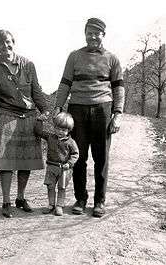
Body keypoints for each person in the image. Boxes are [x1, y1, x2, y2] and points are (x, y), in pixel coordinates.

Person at [54, 18, 125, 218]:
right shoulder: (74, 56)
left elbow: (119, 89)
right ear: (85, 34)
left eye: (97, 33)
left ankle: (99, 202)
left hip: (102, 109)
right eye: (89, 33)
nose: (93, 36)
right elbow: (65, 84)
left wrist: (117, 114)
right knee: (79, 156)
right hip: (77, 109)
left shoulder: (112, 59)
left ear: (103, 35)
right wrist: (58, 108)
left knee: (101, 158)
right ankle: (80, 199)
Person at [0, 30, 49, 218]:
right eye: (0, 44)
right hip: (6, 116)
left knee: (26, 160)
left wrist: (44, 109)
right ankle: (6, 201)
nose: (5, 46)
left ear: (13, 41)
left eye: (7, 42)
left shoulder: (28, 64)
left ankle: (20, 198)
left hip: (29, 117)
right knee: (6, 162)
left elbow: (36, 90)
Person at [34, 112, 79, 216]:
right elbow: (38, 132)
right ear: (54, 127)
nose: (60, 132)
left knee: (61, 187)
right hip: (51, 167)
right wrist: (40, 120)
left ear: (69, 130)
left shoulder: (71, 142)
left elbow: (75, 154)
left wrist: (69, 163)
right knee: (50, 186)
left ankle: (59, 205)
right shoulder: (50, 137)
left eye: (63, 130)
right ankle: (51, 205)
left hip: (64, 169)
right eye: (58, 128)